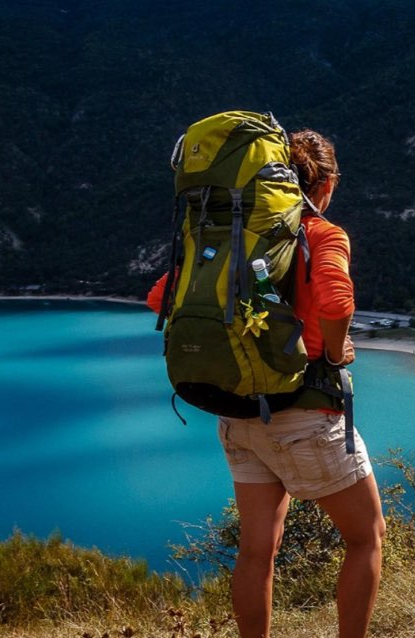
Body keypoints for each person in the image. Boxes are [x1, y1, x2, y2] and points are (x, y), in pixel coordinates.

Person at [148, 129, 385, 638]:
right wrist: (337, 346)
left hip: (237, 413)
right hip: (303, 414)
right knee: (367, 537)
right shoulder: (322, 233)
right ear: (324, 183)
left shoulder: (234, 239)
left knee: (257, 550)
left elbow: (158, 300)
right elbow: (337, 303)